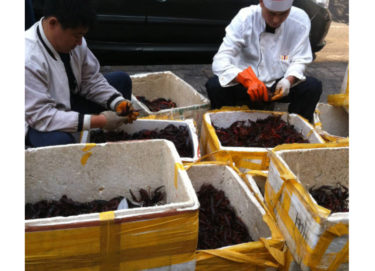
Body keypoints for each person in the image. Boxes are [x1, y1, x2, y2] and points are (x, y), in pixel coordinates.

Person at [25, 0, 138, 148]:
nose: (80, 42)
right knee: (60, 143)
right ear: (53, 23)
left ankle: (114, 137)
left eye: (82, 35)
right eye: (76, 35)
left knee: (121, 80)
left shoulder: (75, 41)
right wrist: (100, 121)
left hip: (68, 100)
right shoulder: (27, 58)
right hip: (34, 121)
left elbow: (91, 80)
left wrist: (118, 102)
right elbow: (41, 117)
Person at [205, 0, 322, 122]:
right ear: (261, 3)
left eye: (283, 14)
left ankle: (299, 128)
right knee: (215, 86)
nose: (276, 20)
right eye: (271, 13)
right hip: (246, 84)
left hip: (278, 84)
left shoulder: (300, 19)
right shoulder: (245, 17)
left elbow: (300, 59)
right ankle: (225, 125)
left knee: (312, 87)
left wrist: (288, 81)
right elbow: (221, 59)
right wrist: (246, 79)